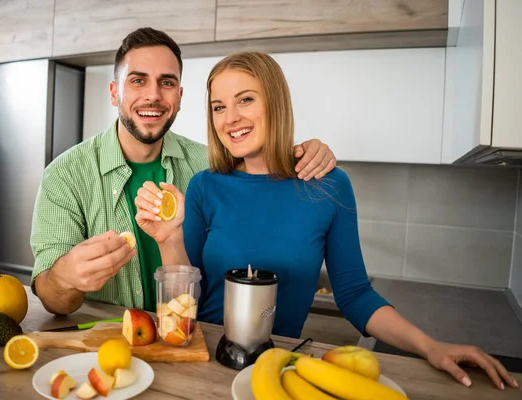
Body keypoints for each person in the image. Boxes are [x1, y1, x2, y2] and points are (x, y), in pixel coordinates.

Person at [134, 51, 518, 391]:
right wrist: (168, 239)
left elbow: (354, 295)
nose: (230, 118)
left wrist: (430, 346)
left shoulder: (329, 186)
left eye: (245, 100)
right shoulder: (205, 186)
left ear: (276, 104)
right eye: (218, 107)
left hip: (276, 371)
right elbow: (186, 299)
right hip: (205, 365)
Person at [29, 28, 337, 316]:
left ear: (179, 95)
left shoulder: (210, 168)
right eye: (137, 81)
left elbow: (264, 166)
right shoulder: (66, 175)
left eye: (166, 82)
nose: (153, 95)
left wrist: (308, 152)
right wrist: (64, 277)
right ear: (114, 93)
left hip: (192, 344)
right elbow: (54, 300)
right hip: (105, 348)